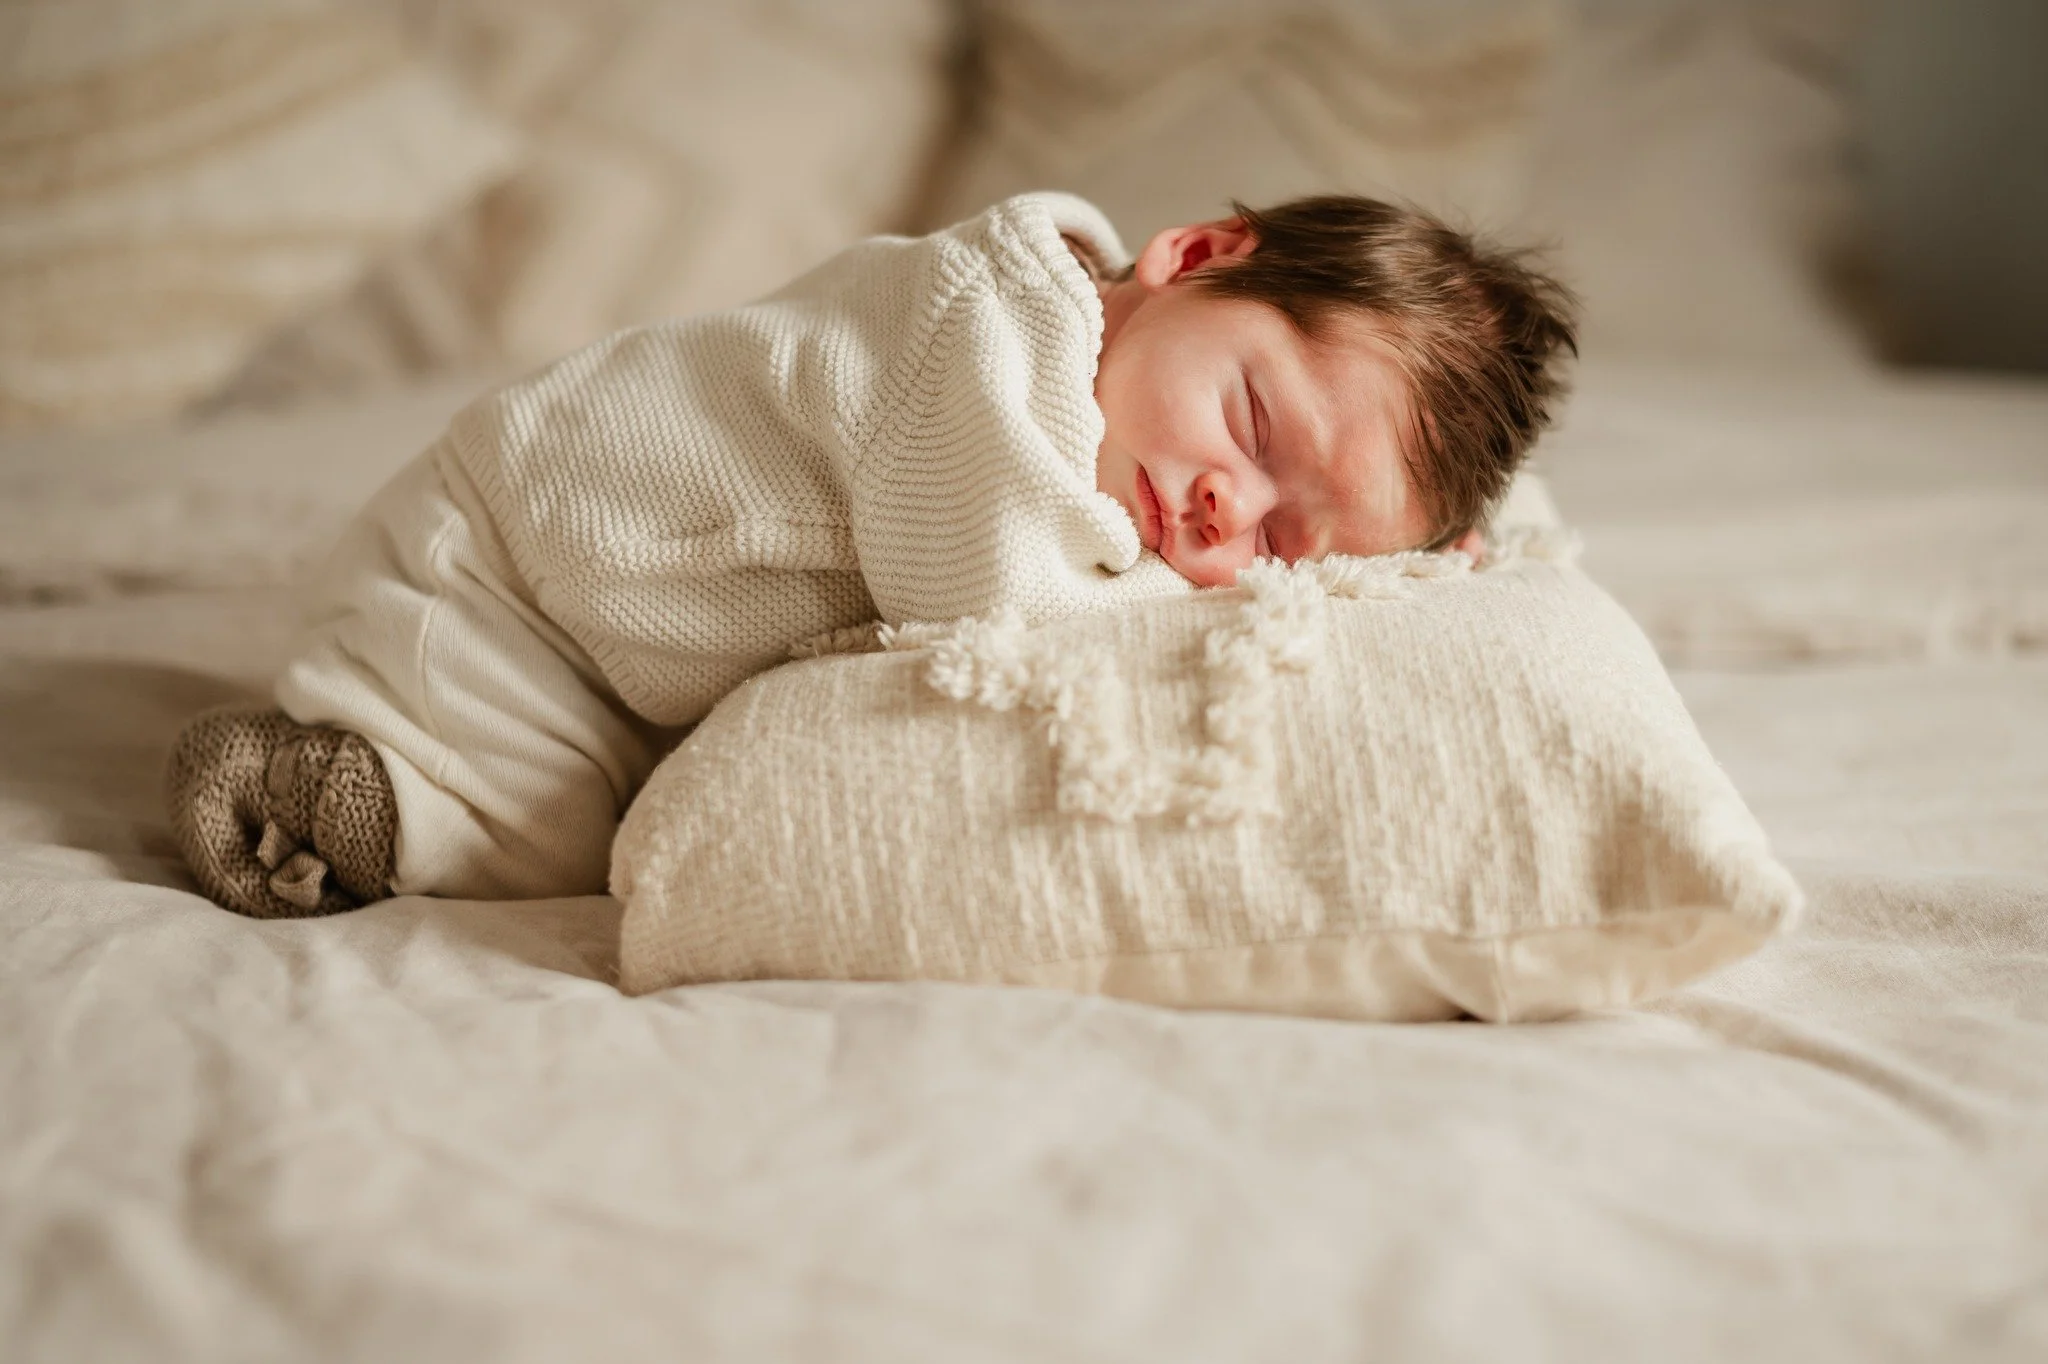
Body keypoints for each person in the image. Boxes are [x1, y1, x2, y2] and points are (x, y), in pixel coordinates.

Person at [166, 191, 1577, 918]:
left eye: (1284, 539)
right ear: (1195, 254)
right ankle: (295, 773)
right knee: (517, 846)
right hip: (501, 577)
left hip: (627, 644)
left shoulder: (1098, 407)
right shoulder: (984, 344)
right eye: (1250, 417)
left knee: (609, 838)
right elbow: (1013, 619)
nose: (1223, 507)